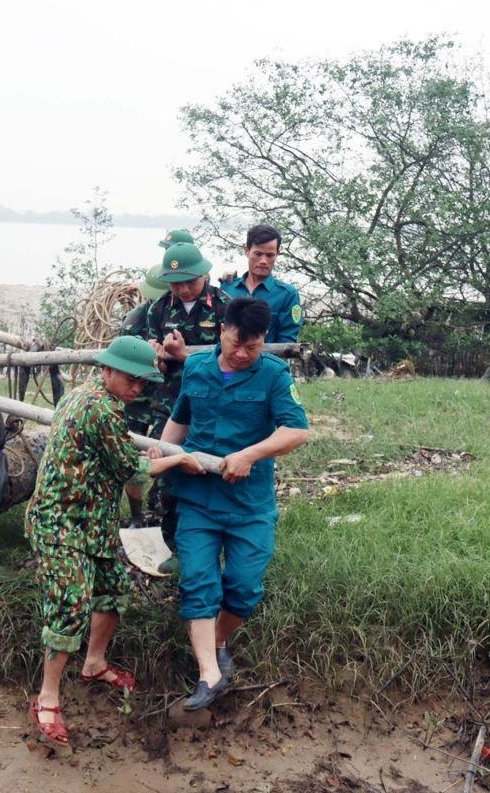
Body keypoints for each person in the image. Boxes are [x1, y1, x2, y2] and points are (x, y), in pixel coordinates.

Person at [26, 336, 204, 752]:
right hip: (61, 522)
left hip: (92, 520)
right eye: (131, 379)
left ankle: (94, 663)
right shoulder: (100, 409)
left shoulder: (85, 395)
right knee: (70, 603)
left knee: (112, 591)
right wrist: (176, 458)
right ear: (107, 369)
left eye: (144, 382)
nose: (137, 388)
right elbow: (133, 473)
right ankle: (47, 699)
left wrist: (150, 458)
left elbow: (119, 460)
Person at [160, 297, 310, 711]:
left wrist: (249, 455)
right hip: (197, 499)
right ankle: (208, 674)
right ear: (221, 331)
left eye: (254, 346)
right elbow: (181, 418)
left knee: (244, 588)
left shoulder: (275, 375)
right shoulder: (196, 366)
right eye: (237, 344)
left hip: (249, 504)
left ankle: (220, 638)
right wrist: (164, 455)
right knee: (198, 583)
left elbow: (296, 431)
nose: (243, 354)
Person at [145, 242, 229, 567]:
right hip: (170, 402)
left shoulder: (224, 306)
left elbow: (233, 357)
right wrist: (159, 357)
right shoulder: (159, 309)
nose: (183, 289)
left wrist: (187, 355)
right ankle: (172, 545)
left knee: (214, 468)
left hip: (212, 402)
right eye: (175, 283)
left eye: (189, 281)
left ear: (205, 274)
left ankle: (217, 544)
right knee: (167, 470)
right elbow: (156, 367)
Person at [118, 263, 168, 528]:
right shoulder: (133, 323)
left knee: (163, 449)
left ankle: (158, 499)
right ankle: (137, 516)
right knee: (131, 453)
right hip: (136, 397)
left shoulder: (174, 313)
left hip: (167, 395)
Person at [221, 224, 303, 344]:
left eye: (270, 255)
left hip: (266, 360)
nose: (264, 261)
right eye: (258, 254)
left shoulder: (287, 295)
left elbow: (287, 340)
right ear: (247, 251)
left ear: (277, 254)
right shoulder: (227, 287)